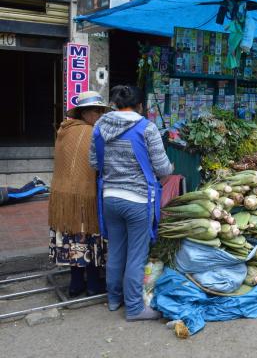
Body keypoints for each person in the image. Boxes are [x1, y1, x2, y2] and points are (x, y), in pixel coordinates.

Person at [90, 85, 172, 321]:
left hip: (109, 198)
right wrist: (170, 170)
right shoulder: (146, 128)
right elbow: (162, 167)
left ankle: (114, 299)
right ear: (139, 106)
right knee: (136, 255)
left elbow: (94, 163)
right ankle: (135, 308)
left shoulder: (99, 127)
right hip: (137, 201)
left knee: (115, 250)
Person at [48, 91, 111, 297]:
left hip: (63, 194)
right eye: (97, 110)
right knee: (88, 235)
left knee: (73, 234)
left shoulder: (64, 130)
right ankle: (92, 283)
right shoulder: (90, 133)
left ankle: (76, 284)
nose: (100, 114)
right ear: (84, 112)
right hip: (84, 194)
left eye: (102, 111)